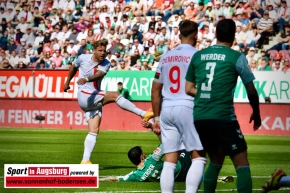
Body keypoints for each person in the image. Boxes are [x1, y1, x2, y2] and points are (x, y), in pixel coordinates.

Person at [185, 19, 261, 193]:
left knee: (216, 160)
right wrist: (256, 112)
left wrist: (207, 94)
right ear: (234, 37)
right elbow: (251, 89)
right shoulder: (236, 57)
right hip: (223, 116)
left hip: (200, 116)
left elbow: (188, 89)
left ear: (216, 34)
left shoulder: (198, 56)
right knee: (241, 162)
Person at [63, 39, 154, 164]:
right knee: (116, 95)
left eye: (104, 51)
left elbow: (99, 75)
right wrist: (67, 82)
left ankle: (85, 160)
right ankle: (143, 114)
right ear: (93, 50)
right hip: (85, 95)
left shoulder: (106, 63)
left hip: (93, 98)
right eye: (99, 50)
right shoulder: (83, 58)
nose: (102, 53)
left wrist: (87, 78)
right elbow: (73, 67)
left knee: (94, 130)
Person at [151, 20, 206, 193]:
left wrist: (157, 118)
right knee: (198, 159)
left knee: (169, 161)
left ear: (179, 34)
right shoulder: (198, 56)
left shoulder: (166, 56)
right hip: (188, 106)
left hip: (167, 108)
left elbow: (155, 90)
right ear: (196, 35)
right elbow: (203, 87)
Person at [99, 120, 192, 182]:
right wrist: (152, 126)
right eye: (143, 153)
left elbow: (115, 178)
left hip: (177, 179)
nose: (145, 154)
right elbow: (166, 142)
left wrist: (98, 179)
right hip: (183, 166)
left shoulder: (137, 175)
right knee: (186, 144)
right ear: (141, 157)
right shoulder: (152, 159)